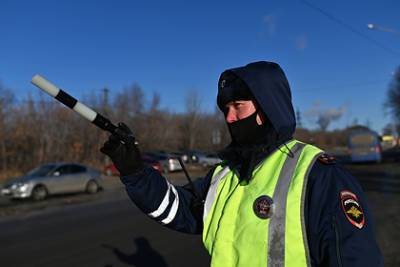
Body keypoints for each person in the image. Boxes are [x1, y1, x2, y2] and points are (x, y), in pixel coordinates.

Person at [101, 61, 383, 266]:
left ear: (267, 107)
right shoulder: (224, 174)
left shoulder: (318, 175)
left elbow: (355, 257)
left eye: (238, 106)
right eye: (226, 109)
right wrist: (135, 171)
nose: (230, 117)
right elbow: (179, 210)